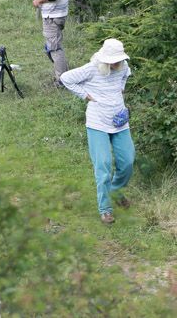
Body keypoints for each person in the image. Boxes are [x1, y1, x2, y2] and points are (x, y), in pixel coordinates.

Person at [60, 38, 134, 225]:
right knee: (103, 165)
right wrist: (86, 95)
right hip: (97, 123)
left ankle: (115, 191)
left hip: (119, 121)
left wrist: (120, 90)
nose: (116, 63)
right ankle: (105, 209)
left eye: (118, 59)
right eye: (113, 60)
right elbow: (65, 78)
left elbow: (126, 76)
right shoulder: (92, 68)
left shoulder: (123, 67)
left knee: (127, 162)